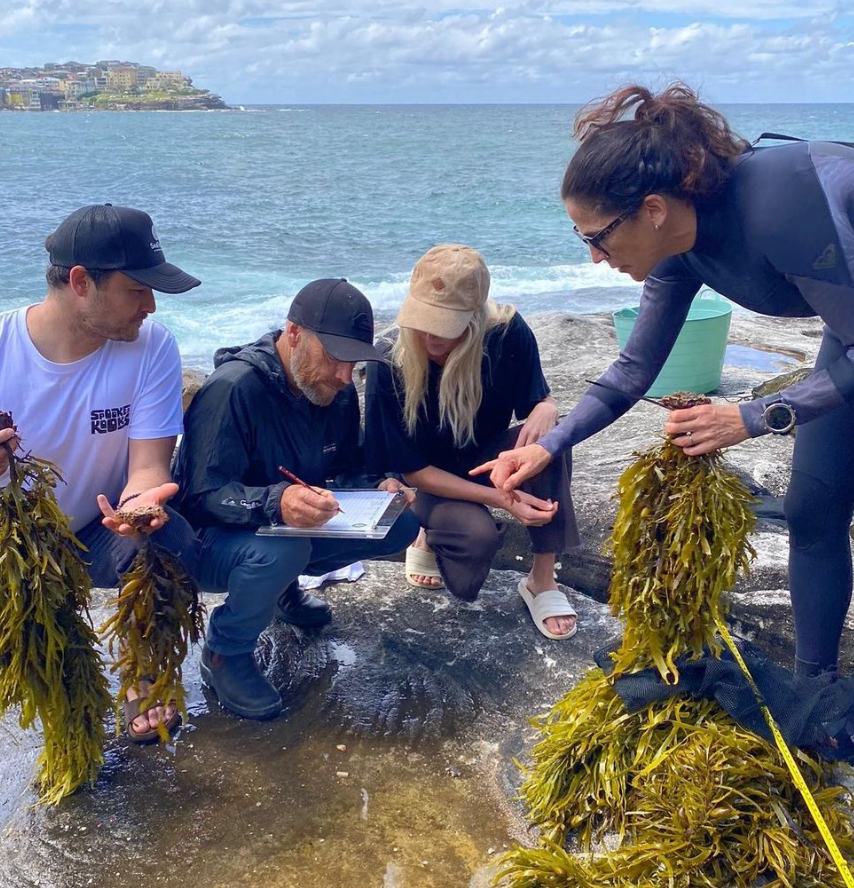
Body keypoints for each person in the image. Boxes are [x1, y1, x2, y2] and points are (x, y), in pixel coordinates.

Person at [475, 82, 854, 678]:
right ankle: (816, 691)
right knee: (813, 512)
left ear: (651, 209)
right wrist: (548, 445)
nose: (595, 258)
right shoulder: (675, 248)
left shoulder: (781, 207)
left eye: (597, 237)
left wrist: (751, 416)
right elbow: (632, 371)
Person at [0, 203, 202, 743]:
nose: (151, 306)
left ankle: (142, 676)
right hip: (15, 537)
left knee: (164, 537)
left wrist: (142, 506)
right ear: (81, 281)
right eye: (137, 290)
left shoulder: (151, 346)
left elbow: (148, 467)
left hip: (98, 526)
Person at [172, 278, 420, 720]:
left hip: (282, 531)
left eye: (354, 362)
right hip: (208, 541)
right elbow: (197, 497)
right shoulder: (233, 389)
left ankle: (280, 593)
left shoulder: (332, 390)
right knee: (283, 547)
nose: (346, 376)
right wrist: (274, 501)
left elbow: (346, 465)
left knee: (401, 523)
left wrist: (381, 484)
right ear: (293, 334)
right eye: (337, 358)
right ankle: (224, 653)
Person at [365, 244, 580, 640]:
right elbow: (410, 467)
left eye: (444, 324)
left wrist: (546, 408)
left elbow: (537, 401)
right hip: (429, 480)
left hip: (487, 460)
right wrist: (500, 500)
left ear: (476, 315)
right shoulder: (389, 359)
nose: (430, 336)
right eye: (423, 319)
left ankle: (542, 579)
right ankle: (426, 532)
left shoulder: (507, 333)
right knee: (469, 569)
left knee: (552, 437)